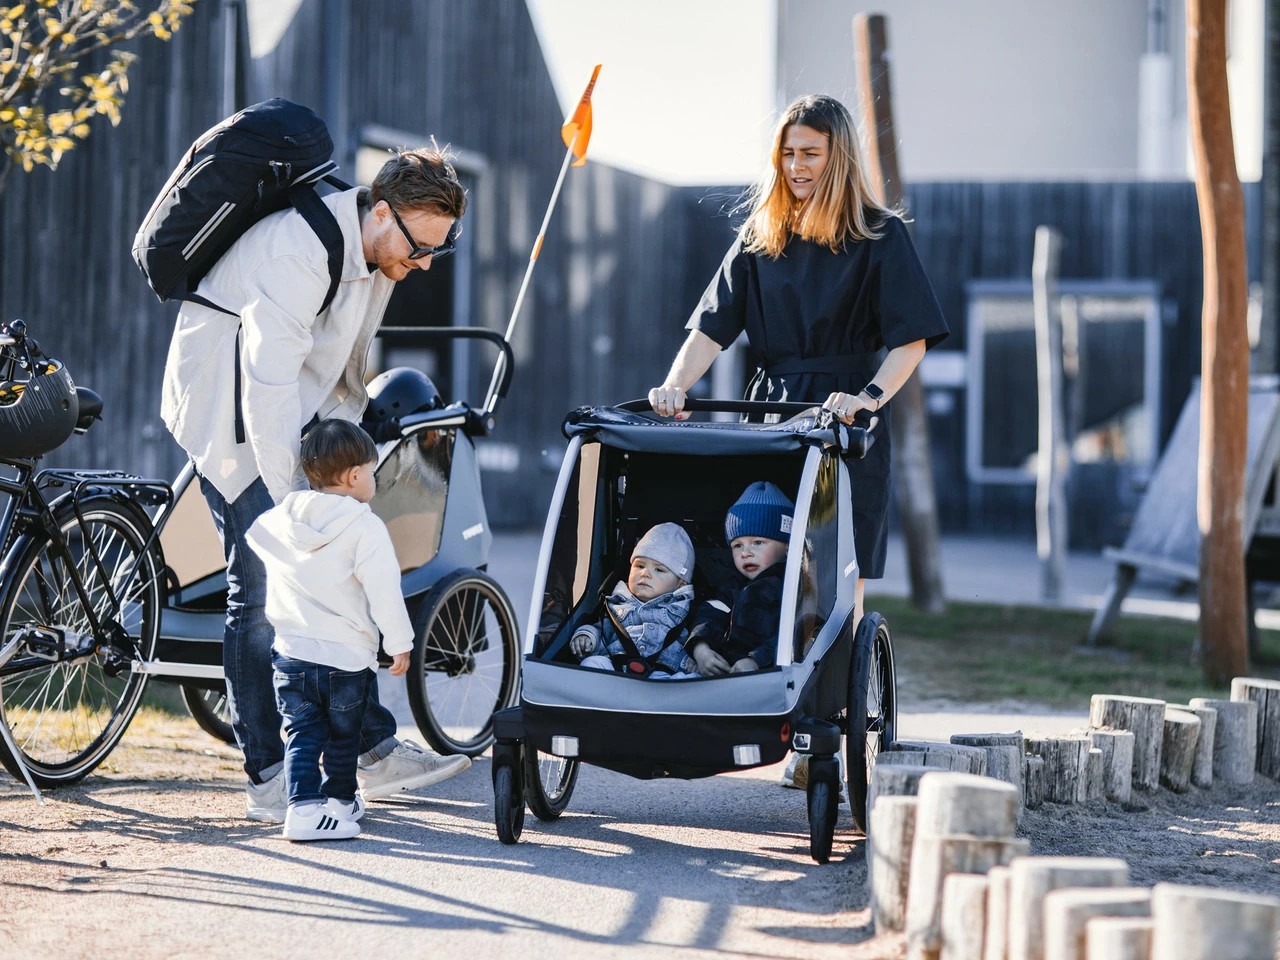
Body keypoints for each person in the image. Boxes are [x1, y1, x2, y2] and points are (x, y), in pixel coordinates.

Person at [161, 149, 471, 822]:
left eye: (437, 251)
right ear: (381, 213)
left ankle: (371, 751)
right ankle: (269, 777)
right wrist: (293, 509)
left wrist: (345, 465)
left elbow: (345, 366)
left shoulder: (380, 254)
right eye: (420, 248)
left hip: (289, 413)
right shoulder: (297, 251)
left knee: (343, 570)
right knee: (260, 593)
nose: (424, 264)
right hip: (228, 413)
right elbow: (265, 386)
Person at [648, 94, 950, 625]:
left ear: (840, 157)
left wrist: (868, 398)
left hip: (847, 418)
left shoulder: (881, 235)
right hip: (772, 415)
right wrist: (675, 385)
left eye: (810, 153)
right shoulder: (760, 235)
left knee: (839, 571)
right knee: (764, 557)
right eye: (787, 154)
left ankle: (836, 670)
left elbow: (911, 342)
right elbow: (711, 328)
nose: (796, 166)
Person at [246, 420, 412, 841]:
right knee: (343, 735)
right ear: (355, 476)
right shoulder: (365, 527)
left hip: (292, 653)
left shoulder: (284, 518)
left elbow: (255, 536)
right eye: (372, 471)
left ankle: (307, 805)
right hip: (346, 658)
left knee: (302, 733)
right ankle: (334, 804)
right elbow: (385, 593)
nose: (374, 479)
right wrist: (400, 644)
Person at [686, 482, 793, 676]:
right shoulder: (733, 588)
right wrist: (701, 649)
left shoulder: (792, 588)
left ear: (787, 546)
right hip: (727, 672)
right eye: (737, 545)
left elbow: (796, 634)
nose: (745, 553)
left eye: (758, 542)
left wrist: (757, 660)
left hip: (769, 676)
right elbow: (710, 615)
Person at [569, 523, 699, 677]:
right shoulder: (616, 604)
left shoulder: (683, 610)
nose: (645, 574)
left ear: (681, 583)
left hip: (662, 676)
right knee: (591, 663)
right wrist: (587, 636)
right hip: (616, 670)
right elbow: (602, 630)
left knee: (693, 678)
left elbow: (690, 641)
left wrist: (693, 659)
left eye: (659, 569)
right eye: (640, 566)